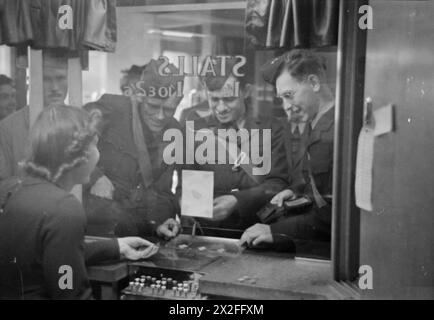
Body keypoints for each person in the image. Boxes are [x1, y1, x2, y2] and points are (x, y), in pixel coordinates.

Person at [0, 105, 158, 300]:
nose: (98, 155)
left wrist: (117, 247)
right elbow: (68, 291)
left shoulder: (20, 193)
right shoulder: (64, 208)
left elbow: (55, 257)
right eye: (94, 145)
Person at [239, 49, 334, 250]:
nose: (286, 106)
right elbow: (323, 189)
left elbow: (333, 214)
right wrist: (297, 192)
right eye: (281, 99)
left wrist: (276, 232)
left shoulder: (333, 131)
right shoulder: (315, 123)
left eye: (289, 95)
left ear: (314, 83)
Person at [181, 57, 289, 231]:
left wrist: (237, 201)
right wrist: (196, 214)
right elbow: (190, 183)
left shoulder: (272, 127)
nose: (221, 108)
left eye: (229, 99)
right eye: (214, 100)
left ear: (246, 91)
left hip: (258, 230)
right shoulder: (196, 127)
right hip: (210, 231)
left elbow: (278, 183)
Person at [83, 58, 184, 239]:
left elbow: (162, 191)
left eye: (169, 109)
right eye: (153, 106)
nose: (160, 116)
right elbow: (67, 137)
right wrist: (94, 175)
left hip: (135, 229)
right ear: (140, 96)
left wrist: (159, 222)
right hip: (96, 227)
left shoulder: (174, 132)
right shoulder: (112, 108)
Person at [0, 50, 68, 180]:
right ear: (30, 81)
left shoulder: (82, 123)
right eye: (46, 79)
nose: (54, 87)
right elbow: (3, 185)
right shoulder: (7, 128)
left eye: (60, 78)